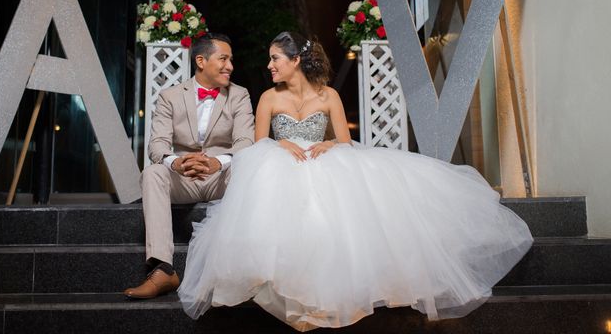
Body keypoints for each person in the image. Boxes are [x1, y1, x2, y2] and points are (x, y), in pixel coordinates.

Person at [177, 31, 532, 331]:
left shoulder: (328, 95)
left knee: (344, 202)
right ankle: (290, 289)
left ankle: (329, 293)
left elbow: (344, 142)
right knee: (277, 193)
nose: (269, 66)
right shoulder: (269, 97)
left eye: (275, 59)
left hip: (322, 156)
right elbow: (257, 143)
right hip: (280, 160)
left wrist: (328, 143)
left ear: (295, 61)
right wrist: (279, 142)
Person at [124, 33, 255, 299]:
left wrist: (218, 162)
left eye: (231, 60)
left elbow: (245, 142)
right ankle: (163, 269)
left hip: (222, 178)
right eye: (223, 59)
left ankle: (248, 268)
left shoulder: (240, 95)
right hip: (184, 178)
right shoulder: (170, 96)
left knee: (253, 169)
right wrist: (178, 162)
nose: (230, 66)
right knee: (153, 173)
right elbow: (157, 145)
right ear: (201, 61)